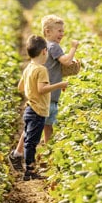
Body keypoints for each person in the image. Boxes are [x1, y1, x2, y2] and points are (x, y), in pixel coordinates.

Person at [9, 16, 79, 172]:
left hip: (45, 98)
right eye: (59, 31)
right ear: (48, 32)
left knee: (41, 127)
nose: (62, 34)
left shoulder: (44, 51)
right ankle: (35, 156)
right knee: (39, 128)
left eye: (63, 31)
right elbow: (66, 62)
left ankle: (27, 154)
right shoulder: (53, 47)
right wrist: (74, 48)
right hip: (46, 97)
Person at [13, 34, 69, 181]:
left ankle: (24, 164)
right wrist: (60, 85)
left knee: (28, 138)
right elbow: (42, 89)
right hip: (38, 111)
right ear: (44, 51)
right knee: (32, 142)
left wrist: (30, 91)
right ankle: (29, 171)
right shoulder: (41, 70)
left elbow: (20, 87)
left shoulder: (28, 68)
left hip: (30, 108)